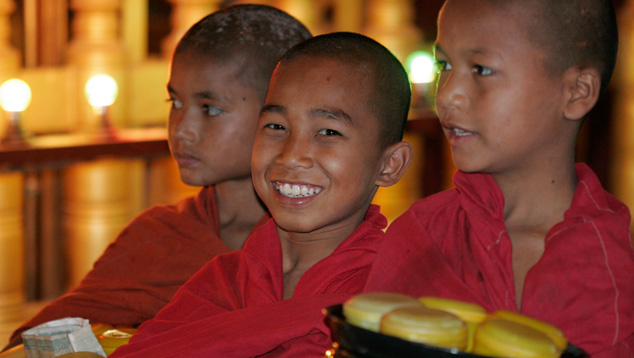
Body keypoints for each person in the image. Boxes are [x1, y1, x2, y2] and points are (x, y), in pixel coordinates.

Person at [3, 5, 311, 351]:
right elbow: (40, 342)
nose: (182, 129)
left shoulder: (319, 242)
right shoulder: (157, 237)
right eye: (175, 102)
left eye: (209, 108)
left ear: (280, 115)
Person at [108, 31, 414, 357]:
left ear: (389, 165)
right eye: (276, 127)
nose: (291, 155)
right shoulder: (220, 282)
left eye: (328, 132)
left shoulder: (392, 298)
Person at [363, 0, 634, 357]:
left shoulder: (608, 270)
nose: (447, 95)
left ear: (576, 91)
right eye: (443, 64)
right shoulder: (420, 236)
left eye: (482, 69)